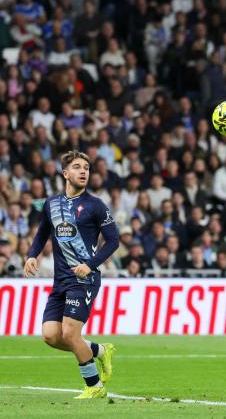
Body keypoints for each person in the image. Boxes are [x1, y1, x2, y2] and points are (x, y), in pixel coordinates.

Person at [23, 150, 120, 399]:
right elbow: (43, 232)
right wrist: (32, 254)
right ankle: (100, 350)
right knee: (50, 335)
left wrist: (91, 263)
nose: (83, 171)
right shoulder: (51, 204)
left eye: (86, 168)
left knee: (70, 333)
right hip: (61, 280)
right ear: (65, 173)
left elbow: (113, 241)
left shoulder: (95, 205)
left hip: (84, 279)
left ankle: (94, 386)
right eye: (77, 167)